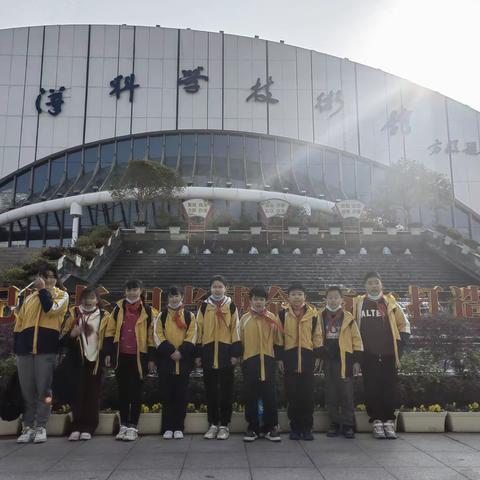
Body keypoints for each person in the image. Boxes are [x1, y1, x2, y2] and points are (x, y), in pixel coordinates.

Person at [14, 265, 69, 443]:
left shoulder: (61, 295)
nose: (50, 280)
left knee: (44, 390)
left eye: (53, 277)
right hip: (25, 352)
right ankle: (28, 426)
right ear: (39, 277)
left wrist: (42, 290)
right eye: (45, 277)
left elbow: (51, 309)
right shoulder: (29, 299)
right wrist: (18, 348)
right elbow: (19, 324)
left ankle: (41, 426)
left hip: (46, 350)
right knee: (27, 391)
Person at [352, 271, 410, 439]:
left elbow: (404, 325)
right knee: (371, 388)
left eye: (376, 282)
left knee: (389, 388)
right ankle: (377, 421)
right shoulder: (358, 304)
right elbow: (353, 328)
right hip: (368, 355)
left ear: (381, 284)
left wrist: (399, 347)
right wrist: (357, 355)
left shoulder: (391, 303)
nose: (373, 286)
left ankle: (389, 421)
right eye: (370, 283)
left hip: (388, 355)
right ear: (365, 286)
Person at [103, 279, 156, 442]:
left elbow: (151, 337)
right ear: (125, 292)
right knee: (123, 392)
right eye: (129, 290)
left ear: (141, 291)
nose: (132, 293)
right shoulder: (118, 310)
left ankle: (133, 425)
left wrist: (152, 358)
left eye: (135, 290)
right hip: (121, 356)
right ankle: (124, 425)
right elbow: (110, 332)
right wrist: (108, 353)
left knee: (135, 393)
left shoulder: (148, 311)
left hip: (139, 357)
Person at [196, 275, 241, 440]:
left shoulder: (231, 307)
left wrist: (235, 353)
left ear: (225, 288)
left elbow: (236, 329)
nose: (217, 289)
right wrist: (199, 353)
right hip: (208, 352)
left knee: (226, 391)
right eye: (214, 286)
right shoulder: (203, 307)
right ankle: (213, 424)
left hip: (225, 353)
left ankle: (224, 425)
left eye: (220, 287)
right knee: (211, 391)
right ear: (210, 288)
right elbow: (198, 330)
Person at [61, 286, 109, 441]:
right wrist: (72, 334)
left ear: (97, 300)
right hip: (77, 361)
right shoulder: (73, 314)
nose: (89, 301)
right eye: (86, 298)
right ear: (81, 299)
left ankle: (89, 427)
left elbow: (109, 337)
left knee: (93, 395)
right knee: (77, 394)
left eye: (92, 298)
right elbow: (63, 341)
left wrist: (107, 355)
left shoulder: (104, 315)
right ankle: (76, 427)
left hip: (95, 361)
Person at [278, 283, 322, 441]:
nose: (296, 297)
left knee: (308, 395)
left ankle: (307, 428)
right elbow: (279, 337)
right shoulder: (282, 314)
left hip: (307, 357)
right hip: (289, 358)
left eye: (299, 294)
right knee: (292, 395)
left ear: (305, 297)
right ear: (288, 297)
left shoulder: (313, 314)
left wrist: (317, 356)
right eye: (293, 294)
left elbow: (317, 336)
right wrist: (280, 358)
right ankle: (295, 428)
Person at [240, 286, 283, 442]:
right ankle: (252, 428)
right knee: (250, 395)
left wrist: (278, 360)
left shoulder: (273, 318)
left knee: (269, 396)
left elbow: (278, 340)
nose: (259, 302)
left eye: (262, 299)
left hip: (269, 361)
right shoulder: (244, 319)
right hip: (250, 360)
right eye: (256, 299)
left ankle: (271, 428)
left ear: (266, 301)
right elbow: (241, 341)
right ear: (250, 300)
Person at [153, 286, 196, 439]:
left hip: (183, 362)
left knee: (181, 395)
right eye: (171, 297)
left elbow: (192, 335)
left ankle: (178, 427)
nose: (174, 299)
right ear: (167, 299)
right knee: (167, 395)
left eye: (176, 296)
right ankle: (167, 427)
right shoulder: (161, 316)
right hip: (167, 361)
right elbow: (157, 335)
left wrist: (181, 351)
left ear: (182, 297)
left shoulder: (189, 315)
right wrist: (171, 351)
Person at [319, 286, 363, 439]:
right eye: (330, 297)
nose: (332, 300)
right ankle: (334, 423)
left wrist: (357, 360)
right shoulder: (320, 316)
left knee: (346, 394)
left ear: (341, 300)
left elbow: (357, 339)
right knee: (331, 394)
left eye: (335, 297)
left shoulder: (348, 317)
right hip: (328, 361)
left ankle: (348, 425)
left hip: (345, 361)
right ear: (325, 300)